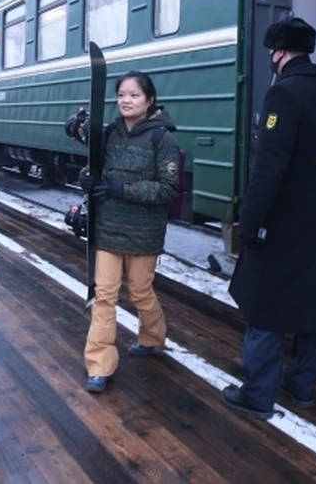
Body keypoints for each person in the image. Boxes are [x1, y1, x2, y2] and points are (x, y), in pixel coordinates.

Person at [222, 16, 316, 419]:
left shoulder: (283, 95)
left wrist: (250, 219)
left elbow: (269, 168)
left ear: (277, 53)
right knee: (313, 309)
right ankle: (302, 386)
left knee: (266, 310)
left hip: (281, 225)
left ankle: (258, 395)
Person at [79, 70, 180, 393]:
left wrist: (124, 190)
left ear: (149, 101)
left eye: (134, 95)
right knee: (104, 296)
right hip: (108, 228)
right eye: (121, 94)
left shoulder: (162, 139)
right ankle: (99, 365)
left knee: (139, 291)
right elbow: (97, 171)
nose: (126, 100)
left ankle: (152, 335)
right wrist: (89, 179)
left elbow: (169, 188)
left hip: (143, 233)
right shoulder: (109, 133)